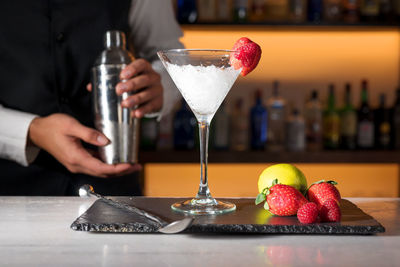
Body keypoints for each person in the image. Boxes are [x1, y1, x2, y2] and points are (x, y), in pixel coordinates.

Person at [0, 0, 183, 196]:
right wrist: (32, 131)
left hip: (112, 191)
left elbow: (172, 58)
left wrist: (161, 85)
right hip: (10, 195)